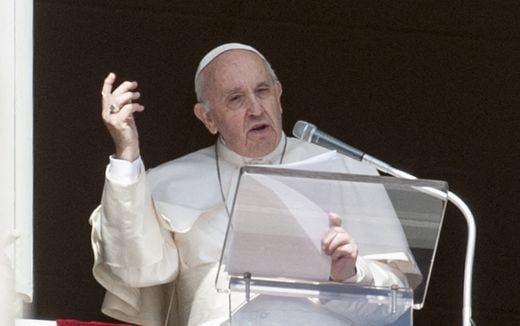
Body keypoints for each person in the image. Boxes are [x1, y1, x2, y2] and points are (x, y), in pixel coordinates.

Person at [90, 43, 417, 326]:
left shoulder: (347, 171)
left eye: (262, 91)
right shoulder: (166, 184)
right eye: (235, 98)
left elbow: (394, 306)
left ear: (279, 95)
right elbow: (133, 270)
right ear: (208, 118)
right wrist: (127, 153)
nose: (256, 108)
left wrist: (348, 274)